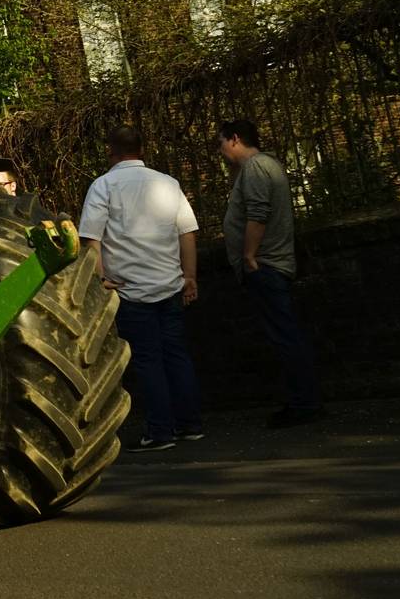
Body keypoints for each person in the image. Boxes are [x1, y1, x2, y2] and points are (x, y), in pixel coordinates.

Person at [78, 125, 202, 452]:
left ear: (110, 151)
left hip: (130, 291)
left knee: (148, 361)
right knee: (176, 355)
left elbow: (91, 239)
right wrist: (190, 276)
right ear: (142, 149)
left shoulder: (103, 186)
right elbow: (187, 233)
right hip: (170, 285)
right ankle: (190, 424)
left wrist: (100, 279)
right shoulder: (168, 183)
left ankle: (160, 431)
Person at [219, 120, 324, 428]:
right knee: (285, 334)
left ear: (235, 139)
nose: (220, 151)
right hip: (270, 265)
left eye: (221, 143)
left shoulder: (256, 167)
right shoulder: (263, 166)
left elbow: (258, 214)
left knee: (284, 336)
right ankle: (302, 400)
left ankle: (304, 403)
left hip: (265, 265)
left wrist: (249, 255)